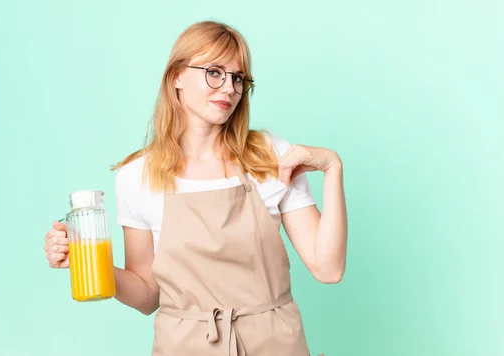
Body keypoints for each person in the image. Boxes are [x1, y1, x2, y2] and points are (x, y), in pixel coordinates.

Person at [43, 20, 347, 356]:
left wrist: (333, 168)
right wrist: (84, 261)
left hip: (274, 344)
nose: (229, 88)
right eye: (214, 72)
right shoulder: (136, 176)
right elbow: (147, 296)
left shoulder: (270, 157)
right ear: (176, 76)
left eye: (237, 78)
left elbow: (328, 268)